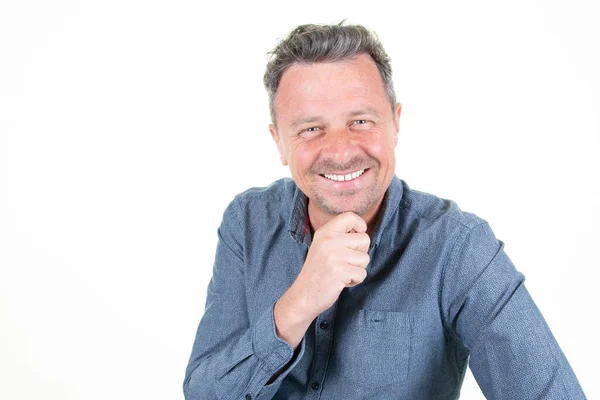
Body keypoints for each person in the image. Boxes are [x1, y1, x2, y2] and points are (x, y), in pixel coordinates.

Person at [183, 22, 586, 399]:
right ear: (279, 143)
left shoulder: (458, 248)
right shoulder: (248, 222)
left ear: (395, 124)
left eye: (361, 120)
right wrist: (298, 304)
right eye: (310, 128)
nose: (341, 151)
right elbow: (203, 391)